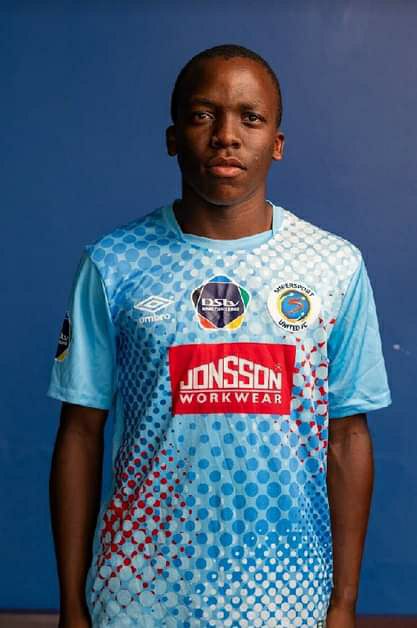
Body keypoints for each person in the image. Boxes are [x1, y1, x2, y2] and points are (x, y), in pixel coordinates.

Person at [48, 44, 391, 628]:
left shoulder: (334, 267)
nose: (226, 136)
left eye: (250, 118)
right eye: (203, 115)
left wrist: (343, 604)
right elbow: (80, 434)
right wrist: (72, 608)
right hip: (137, 600)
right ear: (173, 137)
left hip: (287, 600)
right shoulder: (113, 263)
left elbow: (349, 437)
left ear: (277, 143)